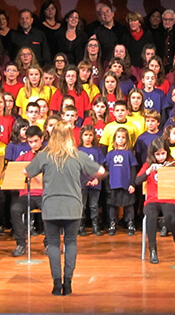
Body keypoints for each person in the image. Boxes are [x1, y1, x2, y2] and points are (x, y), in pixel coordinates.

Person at [25, 121, 105, 296]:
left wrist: (40, 180)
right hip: (73, 205)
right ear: (71, 137)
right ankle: (68, 283)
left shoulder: (44, 156)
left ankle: (56, 283)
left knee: (53, 244)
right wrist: (86, 177)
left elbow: (26, 172)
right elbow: (100, 170)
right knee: (70, 242)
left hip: (50, 205)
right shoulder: (78, 155)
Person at [135, 138, 175, 264]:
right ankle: (153, 250)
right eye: (157, 154)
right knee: (150, 215)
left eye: (163, 154)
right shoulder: (148, 165)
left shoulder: (173, 164)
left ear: (167, 152)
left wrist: (171, 169)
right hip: (152, 199)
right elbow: (137, 181)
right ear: (153, 154)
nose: (161, 157)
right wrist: (148, 171)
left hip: (170, 199)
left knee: (170, 217)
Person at [10, 126, 45, 256]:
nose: (33, 145)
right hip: (27, 194)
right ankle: (20, 243)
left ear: (42, 138)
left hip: (44, 194)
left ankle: (50, 244)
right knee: (15, 210)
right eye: (30, 142)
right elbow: (10, 173)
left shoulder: (49, 156)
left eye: (36, 141)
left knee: (50, 210)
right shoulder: (24, 157)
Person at [106, 128, 138, 236]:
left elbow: (133, 168)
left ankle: (130, 224)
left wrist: (132, 184)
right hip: (113, 184)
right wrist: (107, 185)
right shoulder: (110, 154)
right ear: (114, 139)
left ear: (126, 139)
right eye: (118, 137)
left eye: (123, 137)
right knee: (112, 205)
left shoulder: (129, 153)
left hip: (126, 184)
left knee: (129, 206)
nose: (120, 139)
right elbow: (106, 170)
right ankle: (112, 224)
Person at [78, 125, 106, 236]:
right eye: (86, 135)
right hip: (82, 183)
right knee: (82, 206)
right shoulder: (78, 150)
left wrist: (96, 179)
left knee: (94, 206)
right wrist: (85, 180)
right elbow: (77, 168)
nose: (88, 137)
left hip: (95, 183)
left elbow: (101, 167)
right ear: (81, 136)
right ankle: (81, 226)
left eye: (90, 135)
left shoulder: (97, 150)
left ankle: (95, 226)